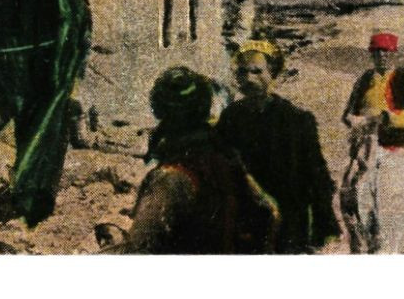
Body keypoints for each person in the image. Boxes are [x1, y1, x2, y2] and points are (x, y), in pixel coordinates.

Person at [103, 66, 278, 254]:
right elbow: (268, 213)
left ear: (160, 110)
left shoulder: (170, 178)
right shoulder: (226, 159)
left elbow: (137, 251)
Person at [215, 39, 340, 253]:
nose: (249, 78)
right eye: (243, 72)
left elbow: (317, 174)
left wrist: (324, 225)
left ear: (272, 73)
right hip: (245, 218)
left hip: (288, 220)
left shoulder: (298, 120)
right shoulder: (230, 117)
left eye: (257, 71)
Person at [341, 31, 404, 253]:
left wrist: (383, 118)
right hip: (365, 151)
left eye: (386, 52)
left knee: (393, 211)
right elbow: (347, 114)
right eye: (376, 52)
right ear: (371, 55)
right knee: (359, 205)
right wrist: (358, 123)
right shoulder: (364, 80)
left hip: (395, 151)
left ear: (394, 54)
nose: (381, 56)